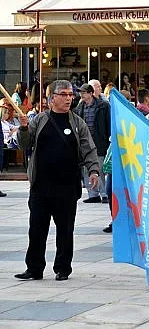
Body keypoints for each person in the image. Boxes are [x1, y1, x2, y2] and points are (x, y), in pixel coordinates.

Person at [14, 81, 101, 281]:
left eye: (71, 94)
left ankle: (63, 268)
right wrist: (24, 128)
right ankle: (34, 268)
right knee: (36, 229)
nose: (69, 98)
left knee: (65, 229)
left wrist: (94, 171)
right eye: (64, 94)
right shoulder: (39, 120)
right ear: (52, 98)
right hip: (40, 186)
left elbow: (89, 149)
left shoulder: (77, 123)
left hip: (67, 186)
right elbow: (24, 144)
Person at [73, 82, 110, 205]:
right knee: (86, 168)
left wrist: (108, 138)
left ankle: (104, 193)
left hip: (99, 140)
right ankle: (93, 194)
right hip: (84, 141)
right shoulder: (79, 108)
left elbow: (108, 123)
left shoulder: (103, 106)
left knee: (98, 167)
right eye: (81, 92)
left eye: (84, 92)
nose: (81, 95)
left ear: (90, 93)